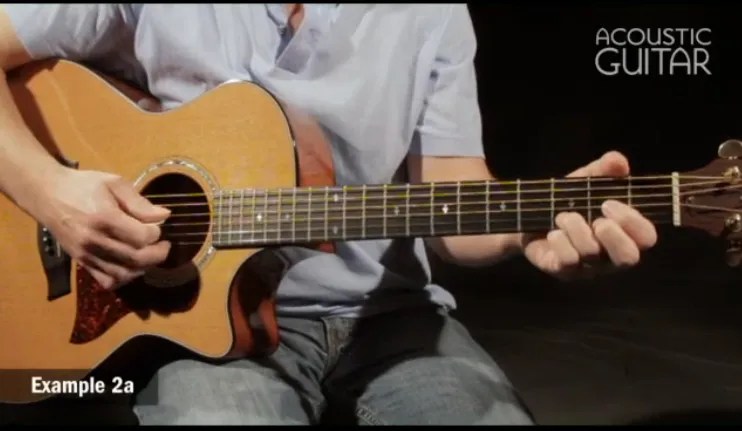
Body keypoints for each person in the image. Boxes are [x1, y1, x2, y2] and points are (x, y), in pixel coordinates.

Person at [0, 4, 658, 425]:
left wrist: (524, 229)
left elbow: (454, 194)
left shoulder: (433, 15)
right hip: (203, 337)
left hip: (387, 320)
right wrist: (53, 192)